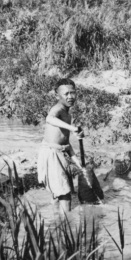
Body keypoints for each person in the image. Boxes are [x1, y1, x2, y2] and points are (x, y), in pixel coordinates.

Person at [37, 78, 87, 217]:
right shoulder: (58, 108)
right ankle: (66, 228)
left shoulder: (67, 113)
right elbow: (49, 118)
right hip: (51, 153)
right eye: (66, 94)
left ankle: (55, 218)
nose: (70, 97)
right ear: (57, 95)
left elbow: (65, 142)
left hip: (58, 152)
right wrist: (73, 128)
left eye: (73, 93)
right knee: (65, 195)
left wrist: (78, 162)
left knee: (58, 191)